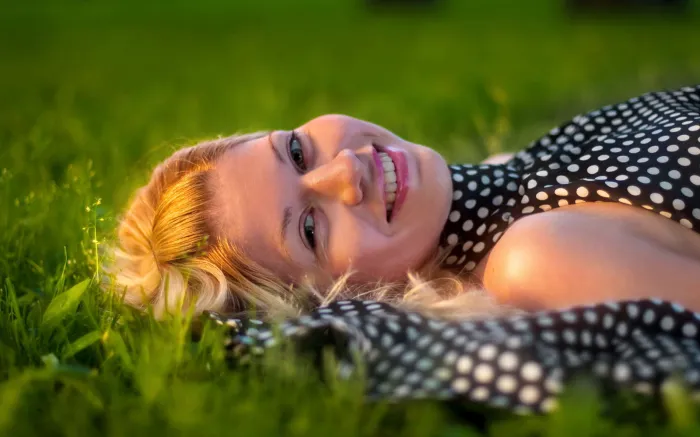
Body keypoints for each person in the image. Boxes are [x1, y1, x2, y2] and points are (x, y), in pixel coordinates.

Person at [104, 84, 700, 319]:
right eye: (310, 229)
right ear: (335, 300)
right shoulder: (537, 257)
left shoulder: (514, 177)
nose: (345, 171)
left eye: (297, 151)